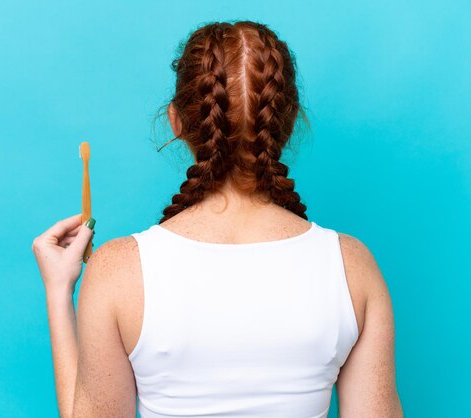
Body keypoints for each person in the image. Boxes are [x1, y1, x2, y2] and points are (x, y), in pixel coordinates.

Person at [32, 20, 403, 418]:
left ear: (177, 121)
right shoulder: (352, 266)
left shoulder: (117, 270)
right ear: (289, 122)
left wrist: (58, 291)